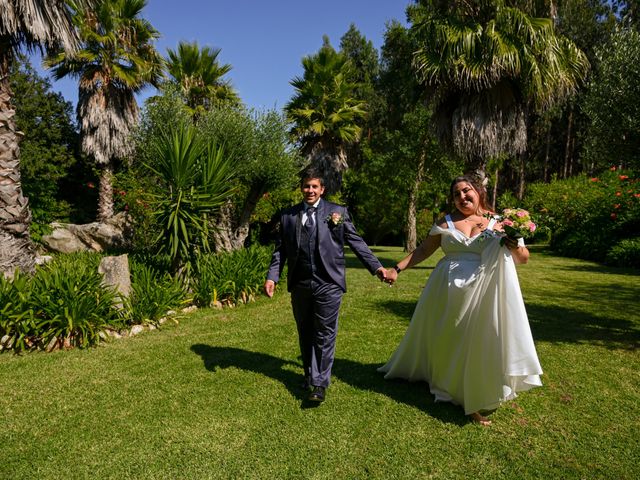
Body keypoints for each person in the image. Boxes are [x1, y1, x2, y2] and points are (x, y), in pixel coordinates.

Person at [379, 175, 542, 425]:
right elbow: (423, 250)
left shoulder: (501, 221)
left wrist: (514, 245)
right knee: (451, 337)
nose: (462, 197)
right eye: (456, 194)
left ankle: (472, 392)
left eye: (467, 191)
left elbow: (524, 258)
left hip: (487, 288)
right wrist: (396, 270)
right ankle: (449, 382)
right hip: (447, 289)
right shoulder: (445, 223)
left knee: (481, 338)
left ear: (478, 191)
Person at [264, 166, 387, 403]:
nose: (310, 190)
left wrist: (377, 268)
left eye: (314, 186)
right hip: (300, 282)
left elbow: (356, 242)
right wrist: (272, 277)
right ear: (301, 188)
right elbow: (280, 252)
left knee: (325, 332)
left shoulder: (337, 212)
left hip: (328, 282)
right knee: (306, 330)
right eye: (306, 186)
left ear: (322, 189)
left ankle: (319, 384)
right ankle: (310, 374)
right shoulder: (288, 216)